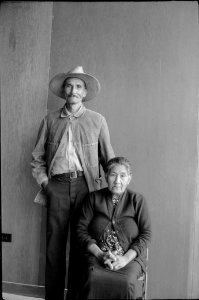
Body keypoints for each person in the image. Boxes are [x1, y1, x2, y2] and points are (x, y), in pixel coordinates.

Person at [31, 66, 115, 300]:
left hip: (85, 188)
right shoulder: (49, 120)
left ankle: (76, 297)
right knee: (54, 248)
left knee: (81, 245)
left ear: (85, 92)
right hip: (55, 186)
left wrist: (110, 191)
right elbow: (37, 158)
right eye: (69, 85)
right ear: (63, 90)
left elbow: (108, 159)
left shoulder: (97, 120)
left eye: (78, 86)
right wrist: (46, 183)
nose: (73, 90)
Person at [77, 156, 152, 299]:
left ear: (129, 178)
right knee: (92, 278)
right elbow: (81, 230)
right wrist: (100, 254)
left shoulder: (137, 201)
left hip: (129, 258)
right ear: (106, 176)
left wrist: (124, 259)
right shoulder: (93, 198)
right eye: (113, 175)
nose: (118, 181)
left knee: (127, 282)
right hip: (98, 255)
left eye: (122, 176)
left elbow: (146, 234)